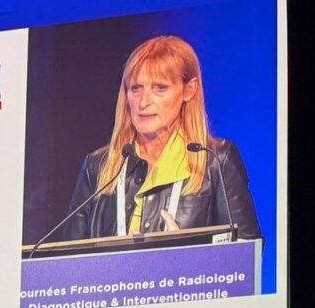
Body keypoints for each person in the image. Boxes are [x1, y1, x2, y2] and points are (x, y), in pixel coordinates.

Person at [57, 35, 263, 244]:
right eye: (136, 88)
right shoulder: (99, 166)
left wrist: (187, 254)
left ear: (189, 90)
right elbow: (68, 257)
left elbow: (245, 252)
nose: (143, 102)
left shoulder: (216, 160)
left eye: (160, 88)